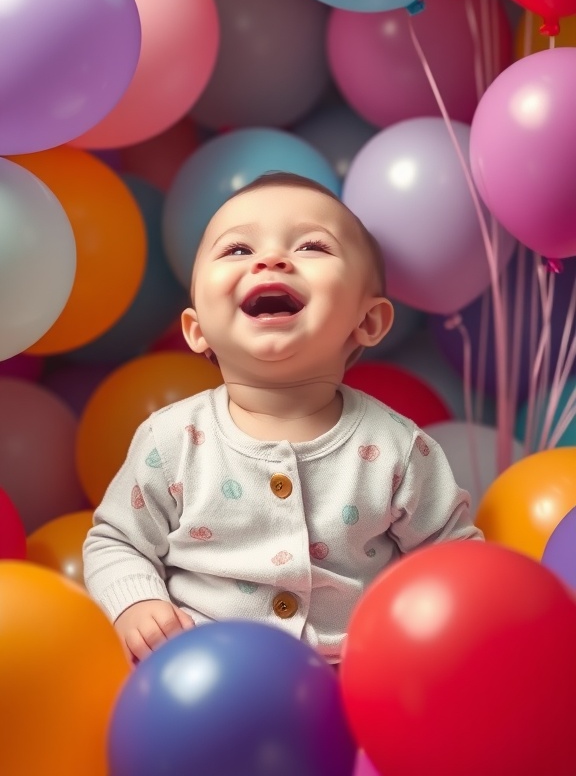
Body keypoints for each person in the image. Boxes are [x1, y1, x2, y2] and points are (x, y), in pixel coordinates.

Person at [83, 171, 483, 664]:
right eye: (237, 250)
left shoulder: (398, 448)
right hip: (202, 677)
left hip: (355, 685)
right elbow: (116, 541)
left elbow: (454, 563)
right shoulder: (171, 441)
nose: (270, 260)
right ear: (197, 329)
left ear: (368, 321)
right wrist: (136, 602)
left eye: (312, 246)